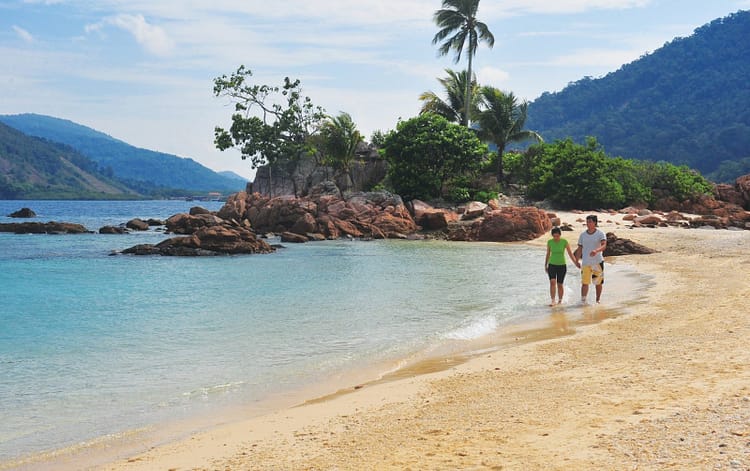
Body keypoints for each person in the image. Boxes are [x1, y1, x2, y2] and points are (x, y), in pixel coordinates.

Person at [545, 226, 580, 306]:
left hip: (562, 265)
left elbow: (570, 254)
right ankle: (553, 300)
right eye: (554, 236)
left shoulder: (564, 242)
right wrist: (545, 265)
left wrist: (576, 263)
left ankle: (560, 301)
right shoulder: (550, 242)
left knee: (560, 284)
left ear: (560, 235)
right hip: (552, 264)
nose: (556, 237)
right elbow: (548, 254)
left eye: (557, 236)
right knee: (552, 282)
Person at [577, 214, 607, 304]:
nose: (588, 223)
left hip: (597, 262)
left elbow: (604, 245)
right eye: (587, 221)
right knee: (584, 283)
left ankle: (598, 300)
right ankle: (583, 301)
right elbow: (579, 249)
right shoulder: (582, 235)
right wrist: (576, 260)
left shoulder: (600, 233)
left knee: (598, 282)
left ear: (595, 223)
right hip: (586, 262)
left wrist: (596, 250)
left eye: (590, 222)